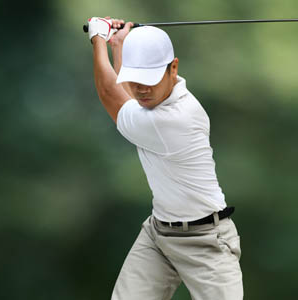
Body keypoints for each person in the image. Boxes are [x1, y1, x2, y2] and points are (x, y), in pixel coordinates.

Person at [86, 16, 243, 299]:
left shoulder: (175, 120)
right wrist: (118, 46)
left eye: (149, 79)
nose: (141, 89)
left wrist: (98, 39)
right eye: (135, 79)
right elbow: (128, 98)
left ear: (174, 68)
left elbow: (111, 93)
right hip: (158, 236)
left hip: (207, 242)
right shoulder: (155, 102)